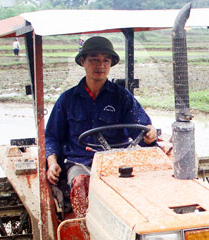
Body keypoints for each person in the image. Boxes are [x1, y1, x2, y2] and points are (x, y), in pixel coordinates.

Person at [44, 36, 157, 211]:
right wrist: (52, 163)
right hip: (81, 162)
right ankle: (84, 228)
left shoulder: (122, 97)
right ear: (83, 62)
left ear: (111, 64)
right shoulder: (67, 99)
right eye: (94, 60)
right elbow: (52, 136)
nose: (100, 65)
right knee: (81, 184)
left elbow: (141, 130)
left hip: (117, 160)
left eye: (106, 60)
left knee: (143, 187)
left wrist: (150, 133)